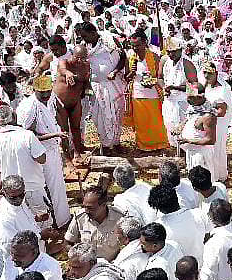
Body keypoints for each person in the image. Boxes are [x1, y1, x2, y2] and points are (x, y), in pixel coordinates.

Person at [0, 107, 55, 229]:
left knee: (20, 224)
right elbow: (42, 159)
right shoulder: (27, 135)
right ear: (14, 117)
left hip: (11, 191)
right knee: (43, 222)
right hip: (33, 187)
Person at [17, 75, 70, 227]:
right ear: (34, 91)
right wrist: (55, 134)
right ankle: (54, 223)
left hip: (53, 148)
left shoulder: (51, 97)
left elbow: (58, 113)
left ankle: (62, 219)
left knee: (57, 186)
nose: (46, 96)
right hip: (40, 152)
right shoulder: (30, 107)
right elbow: (28, 135)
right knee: (48, 187)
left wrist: (62, 132)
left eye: (48, 92)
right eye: (42, 93)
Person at [78, 22, 127, 155]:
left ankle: (116, 143)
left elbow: (123, 57)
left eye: (86, 36)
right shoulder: (84, 47)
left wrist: (115, 71)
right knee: (97, 117)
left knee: (115, 115)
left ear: (93, 33)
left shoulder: (109, 40)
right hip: (94, 88)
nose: (84, 39)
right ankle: (105, 145)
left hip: (112, 85)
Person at [126, 29, 169, 151]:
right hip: (137, 94)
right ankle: (143, 145)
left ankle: (159, 144)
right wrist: (132, 72)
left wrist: (153, 81)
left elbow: (160, 76)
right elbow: (127, 77)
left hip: (153, 93)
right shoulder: (130, 57)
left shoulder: (154, 57)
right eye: (133, 45)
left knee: (155, 121)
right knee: (141, 122)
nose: (135, 48)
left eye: (138, 45)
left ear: (145, 43)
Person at [150, 184, 206, 264]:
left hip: (180, 271)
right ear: (176, 198)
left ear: (159, 209)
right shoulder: (199, 214)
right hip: (201, 265)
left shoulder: (158, 228)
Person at [0, 176, 46, 256]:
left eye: (21, 195)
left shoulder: (17, 201)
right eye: (13, 197)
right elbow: (12, 246)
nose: (18, 199)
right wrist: (40, 236)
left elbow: (22, 221)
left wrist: (37, 218)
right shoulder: (3, 218)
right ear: (4, 193)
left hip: (38, 251)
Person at [65, 187, 124, 261]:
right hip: (87, 266)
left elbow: (127, 244)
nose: (86, 211)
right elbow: (68, 242)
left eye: (90, 208)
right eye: (84, 207)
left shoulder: (119, 218)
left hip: (111, 265)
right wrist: (77, 256)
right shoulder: (80, 217)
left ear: (103, 205)